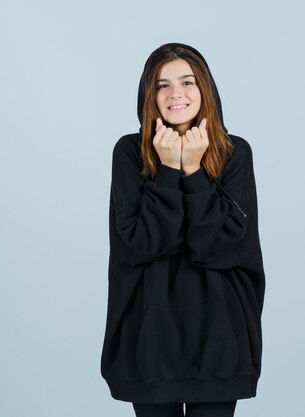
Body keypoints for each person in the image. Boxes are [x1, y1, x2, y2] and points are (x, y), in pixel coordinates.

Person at [100, 43, 266, 417]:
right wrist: (169, 170)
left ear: (204, 89)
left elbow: (215, 247)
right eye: (162, 85)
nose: (176, 93)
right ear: (149, 96)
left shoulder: (235, 153)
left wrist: (194, 173)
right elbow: (143, 243)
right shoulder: (129, 153)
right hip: (149, 340)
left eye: (187, 81)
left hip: (220, 341)